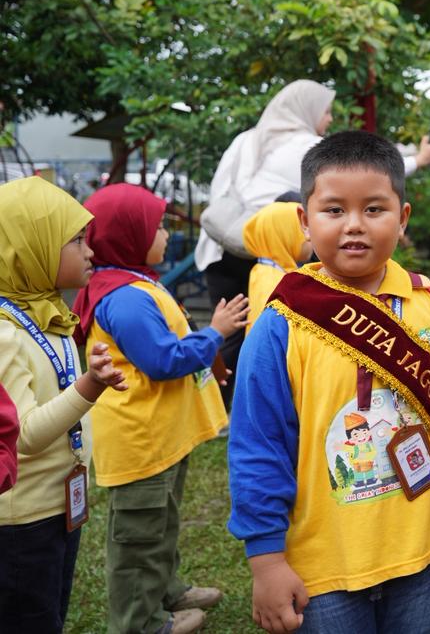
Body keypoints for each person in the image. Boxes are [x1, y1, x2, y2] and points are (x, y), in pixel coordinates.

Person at [227, 130, 430, 634]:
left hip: (423, 554)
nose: (354, 225)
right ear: (304, 220)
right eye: (334, 210)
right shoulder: (281, 323)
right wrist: (266, 560)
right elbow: (259, 445)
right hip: (324, 565)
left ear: (403, 217)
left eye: (374, 209)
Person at [197, 80, 430, 406]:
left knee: (235, 333)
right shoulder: (303, 146)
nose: (328, 119)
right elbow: (367, 173)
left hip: (225, 248)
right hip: (276, 247)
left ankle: (218, 405)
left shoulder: (244, 141)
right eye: (325, 111)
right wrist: (420, 159)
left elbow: (218, 191)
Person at [74, 183, 248, 634]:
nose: (167, 235)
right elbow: (162, 360)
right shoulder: (125, 298)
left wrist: (206, 357)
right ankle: (141, 622)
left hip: (160, 436)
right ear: (128, 235)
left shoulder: (134, 282)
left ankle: (166, 591)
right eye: (157, 227)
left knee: (160, 524)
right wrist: (216, 333)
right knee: (139, 539)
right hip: (142, 441)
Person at [0, 177, 127, 633]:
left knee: (51, 614)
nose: (90, 252)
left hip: (57, 506)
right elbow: (23, 435)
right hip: (23, 521)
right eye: (75, 241)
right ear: (30, 248)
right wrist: (89, 386)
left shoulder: (47, 313)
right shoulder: (5, 333)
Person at [243, 201, 312, 333]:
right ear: (287, 235)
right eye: (304, 229)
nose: (311, 237)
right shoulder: (274, 283)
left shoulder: (263, 270)